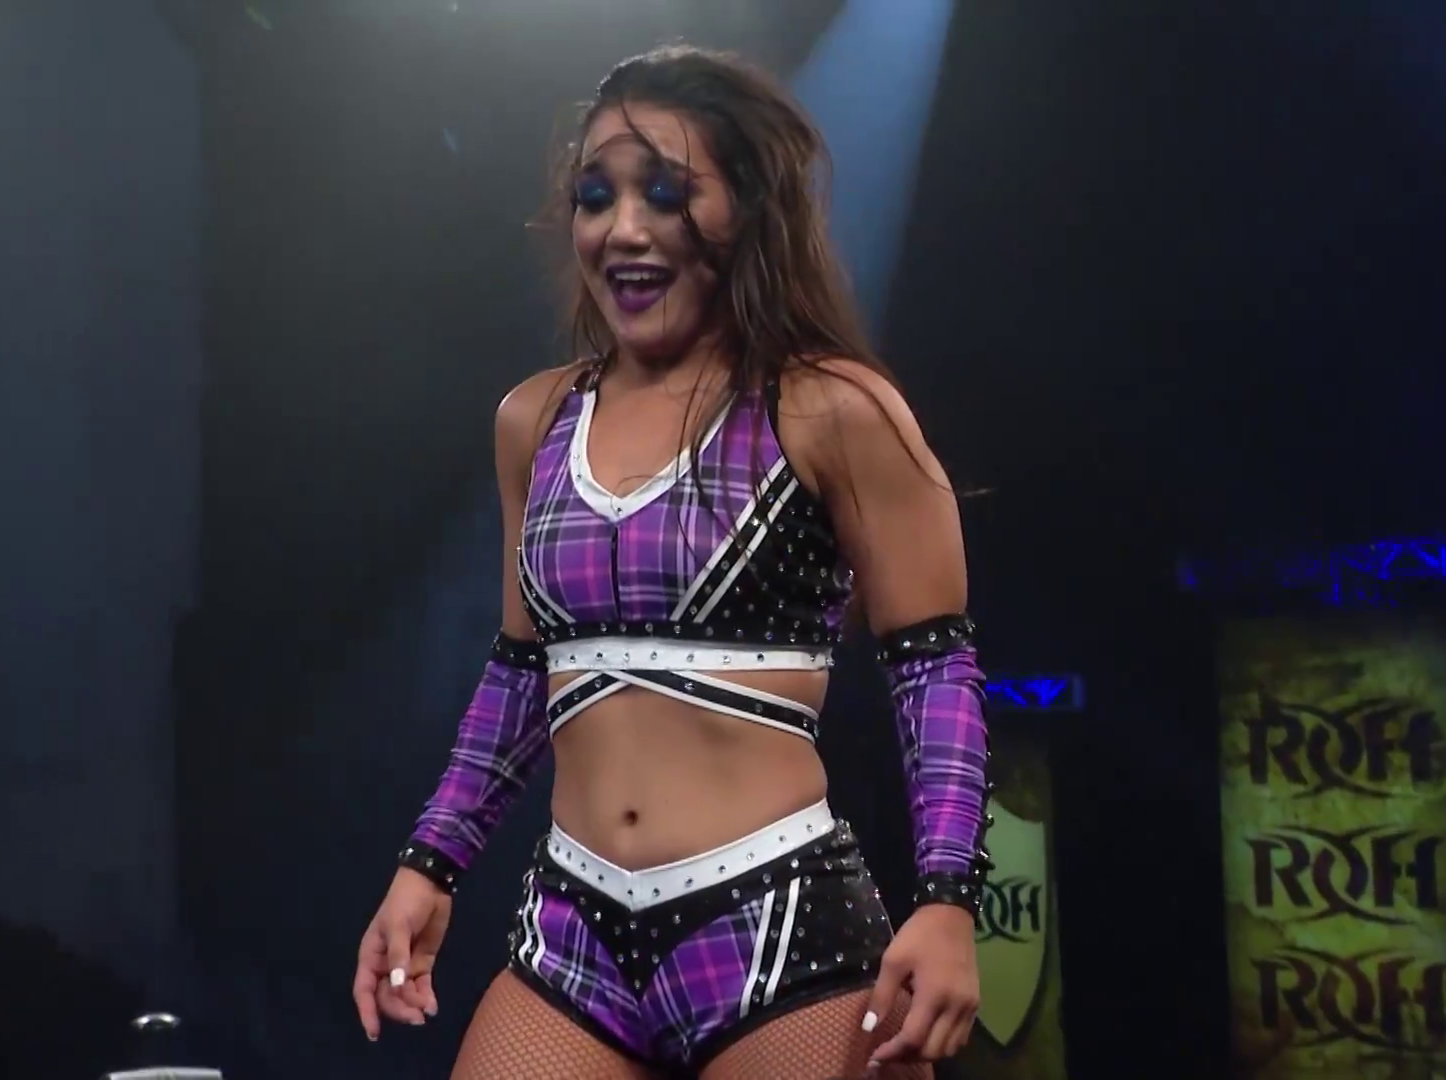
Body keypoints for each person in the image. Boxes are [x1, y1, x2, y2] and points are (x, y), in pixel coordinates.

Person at [353, 45, 991, 1080]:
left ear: (748, 208)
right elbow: (521, 670)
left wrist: (949, 901)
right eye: (595, 196)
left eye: (665, 193)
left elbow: (935, 671)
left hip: (775, 920)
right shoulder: (535, 421)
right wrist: (431, 863)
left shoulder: (831, 409)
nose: (624, 229)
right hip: (573, 930)